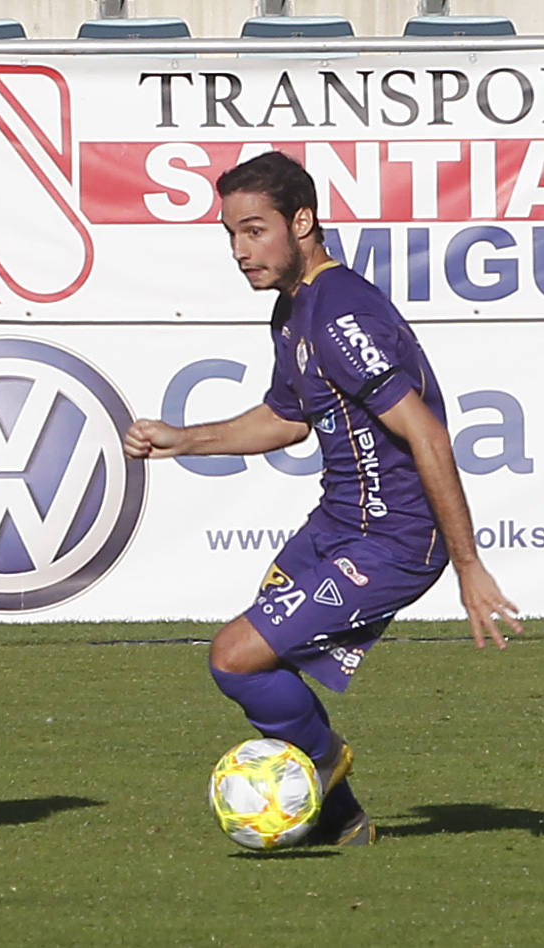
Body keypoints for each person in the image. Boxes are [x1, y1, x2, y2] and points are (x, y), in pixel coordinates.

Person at [122, 151, 522, 845]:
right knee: (258, 659)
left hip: (394, 539)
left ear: (301, 221)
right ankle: (344, 821)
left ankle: (323, 763)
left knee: (235, 656)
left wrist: (468, 566)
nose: (242, 252)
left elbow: (427, 435)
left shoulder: (341, 313)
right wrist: (182, 440)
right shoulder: (294, 309)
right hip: (337, 523)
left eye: (254, 231)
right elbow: (286, 416)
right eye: (231, 236)